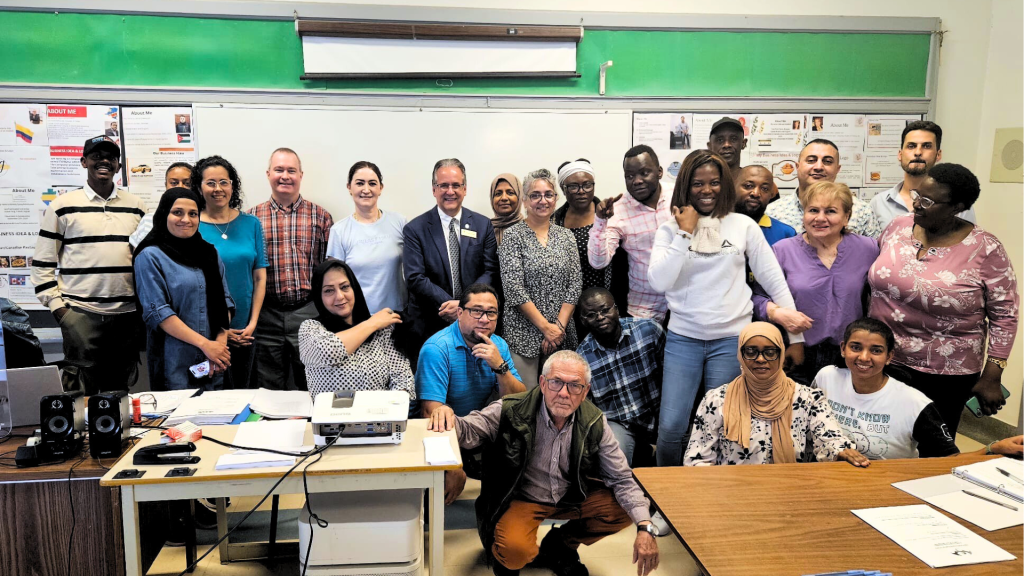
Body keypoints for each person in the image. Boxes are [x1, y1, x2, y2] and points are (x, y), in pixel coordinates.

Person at [427, 351, 660, 576]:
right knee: (516, 552)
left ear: (585, 390)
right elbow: (468, 431)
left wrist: (645, 526)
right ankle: (505, 559)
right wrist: (447, 415)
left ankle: (561, 545)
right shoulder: (510, 409)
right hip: (523, 497)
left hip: (570, 495)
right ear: (542, 382)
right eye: (556, 382)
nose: (564, 393)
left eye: (575, 385)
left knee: (622, 510)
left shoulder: (595, 422)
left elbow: (621, 478)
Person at [648, 150, 803, 467]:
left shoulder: (743, 226)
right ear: (685, 187)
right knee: (671, 428)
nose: (707, 190)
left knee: (722, 426)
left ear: (725, 185)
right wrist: (684, 232)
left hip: (731, 341)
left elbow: (773, 280)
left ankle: (714, 497)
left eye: (715, 183)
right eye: (698, 183)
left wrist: (796, 338)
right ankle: (665, 498)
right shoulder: (669, 229)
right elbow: (659, 281)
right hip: (683, 340)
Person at [868, 163, 1019, 435]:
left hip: (946, 370)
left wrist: (993, 374)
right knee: (883, 438)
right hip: (886, 359)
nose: (917, 205)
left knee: (933, 444)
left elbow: (1005, 316)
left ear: (957, 207)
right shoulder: (897, 228)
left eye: (928, 201)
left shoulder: (986, 249)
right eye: (916, 196)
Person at [813, 318, 1023, 460]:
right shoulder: (826, 377)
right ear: (843, 348)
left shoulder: (914, 404)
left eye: (876, 350)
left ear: (889, 357)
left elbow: (948, 460)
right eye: (856, 347)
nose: (864, 357)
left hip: (885, 486)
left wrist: (992, 448)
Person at [31, 136, 146, 394]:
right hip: (81, 314)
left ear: (118, 166)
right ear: (84, 162)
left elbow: (144, 261)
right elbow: (42, 264)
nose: (104, 161)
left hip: (126, 318)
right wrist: (62, 312)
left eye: (111, 157)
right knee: (81, 391)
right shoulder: (62, 206)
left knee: (119, 391)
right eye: (96, 156)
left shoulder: (137, 207)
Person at [684, 322, 868, 467]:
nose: (761, 359)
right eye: (751, 351)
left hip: (790, 493)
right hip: (732, 495)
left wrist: (841, 451)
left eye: (770, 352)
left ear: (781, 354)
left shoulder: (808, 399)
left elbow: (829, 438)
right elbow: (698, 458)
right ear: (740, 354)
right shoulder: (716, 400)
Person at [752, 181, 880, 384]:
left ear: (846, 217)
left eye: (830, 211)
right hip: (797, 353)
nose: (820, 218)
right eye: (813, 210)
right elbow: (756, 297)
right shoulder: (782, 251)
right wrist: (776, 313)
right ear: (804, 215)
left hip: (849, 356)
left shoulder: (868, 249)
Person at [416, 283, 525, 504]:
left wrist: (499, 366)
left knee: (519, 415)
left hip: (476, 428)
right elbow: (430, 414)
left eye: (491, 312)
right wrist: (452, 466)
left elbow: (519, 400)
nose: (484, 319)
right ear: (459, 313)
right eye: (476, 311)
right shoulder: (437, 348)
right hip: (442, 432)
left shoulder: (498, 346)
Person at [249, 148, 334, 390]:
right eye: (279, 170)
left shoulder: (321, 217)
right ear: (268, 174)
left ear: (300, 175)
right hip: (266, 316)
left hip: (308, 313)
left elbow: (328, 271)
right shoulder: (251, 219)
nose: (285, 176)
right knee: (267, 388)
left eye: (291, 170)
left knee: (313, 385)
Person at [134, 188, 234, 391]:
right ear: (164, 214)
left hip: (213, 363)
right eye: (177, 212)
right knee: (177, 421)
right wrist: (206, 346)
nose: (186, 219)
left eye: (193, 214)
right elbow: (159, 313)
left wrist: (219, 347)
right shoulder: (150, 256)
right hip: (174, 361)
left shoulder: (209, 252)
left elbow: (225, 302)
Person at [404, 159, 499, 366]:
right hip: (430, 322)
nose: (450, 191)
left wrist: (464, 306)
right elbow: (414, 277)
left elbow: (490, 270)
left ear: (465, 189)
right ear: (434, 189)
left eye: (456, 185)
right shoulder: (415, 228)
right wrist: (452, 306)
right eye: (443, 185)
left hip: (475, 322)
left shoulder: (483, 225)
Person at [499, 168, 583, 389]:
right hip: (523, 334)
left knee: (560, 398)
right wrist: (545, 328)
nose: (542, 200)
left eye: (548, 194)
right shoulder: (512, 236)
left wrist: (557, 328)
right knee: (523, 401)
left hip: (561, 333)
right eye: (535, 195)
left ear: (556, 199)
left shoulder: (566, 237)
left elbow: (575, 285)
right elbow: (513, 288)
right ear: (525, 201)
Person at [194, 155, 268, 390]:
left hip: (248, 330)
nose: (218, 189)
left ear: (232, 186)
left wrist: (252, 323)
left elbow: (259, 276)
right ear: (199, 187)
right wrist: (222, 331)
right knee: (214, 397)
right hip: (209, 333)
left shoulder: (251, 223)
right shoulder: (192, 226)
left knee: (247, 393)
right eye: (211, 183)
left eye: (224, 182)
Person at [298, 258, 414, 401]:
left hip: (379, 418)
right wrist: (371, 324)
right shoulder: (310, 329)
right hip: (333, 420)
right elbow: (329, 351)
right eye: (329, 291)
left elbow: (402, 378)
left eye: (345, 287)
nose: (339, 296)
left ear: (354, 288)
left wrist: (390, 408)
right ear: (319, 296)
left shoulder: (382, 328)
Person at [576, 287, 664, 467]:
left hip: (658, 414)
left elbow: (673, 375)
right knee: (614, 459)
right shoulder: (581, 359)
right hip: (619, 423)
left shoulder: (648, 331)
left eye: (605, 310)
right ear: (583, 321)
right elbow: (588, 409)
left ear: (616, 308)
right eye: (591, 315)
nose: (600, 317)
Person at [589, 145, 672, 322]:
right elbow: (598, 262)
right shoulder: (618, 211)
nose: (637, 181)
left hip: (683, 303)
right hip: (644, 309)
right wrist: (600, 222)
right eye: (630, 176)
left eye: (644, 173)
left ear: (659, 172)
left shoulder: (678, 195)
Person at [553, 159, 627, 339]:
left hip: (608, 300)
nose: (581, 191)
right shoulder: (555, 221)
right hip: (571, 305)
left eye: (587, 185)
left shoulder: (610, 215)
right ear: (563, 189)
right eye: (573, 186)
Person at [326, 161, 407, 314]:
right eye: (360, 183)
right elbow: (335, 282)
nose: (366, 189)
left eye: (372, 183)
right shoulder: (339, 231)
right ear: (349, 187)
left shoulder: (399, 222)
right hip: (359, 317)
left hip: (397, 314)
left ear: (380, 188)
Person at [869, 121, 976, 228]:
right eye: (911, 146)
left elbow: (969, 242)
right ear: (900, 154)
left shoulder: (955, 204)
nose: (918, 152)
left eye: (926, 146)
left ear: (938, 155)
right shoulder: (879, 203)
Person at [765, 139, 882, 238]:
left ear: (837, 169)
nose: (819, 167)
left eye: (827, 161)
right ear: (797, 166)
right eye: (811, 160)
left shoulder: (861, 211)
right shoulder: (773, 212)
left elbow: (875, 257)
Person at [130, 162, 193, 248]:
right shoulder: (149, 220)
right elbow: (138, 256)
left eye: (187, 183)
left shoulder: (200, 220)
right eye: (174, 183)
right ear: (166, 185)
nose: (180, 187)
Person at [733, 165, 797, 246]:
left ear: (772, 194)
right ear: (733, 188)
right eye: (749, 186)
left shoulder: (786, 234)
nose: (756, 193)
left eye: (764, 188)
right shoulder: (717, 227)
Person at [706, 117, 747, 181]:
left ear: (743, 143)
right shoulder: (702, 183)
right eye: (720, 140)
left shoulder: (752, 183)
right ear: (709, 146)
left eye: (733, 139)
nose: (727, 145)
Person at [490, 173, 523, 246]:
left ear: (519, 197)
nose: (504, 198)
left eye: (510, 193)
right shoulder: (484, 230)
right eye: (498, 194)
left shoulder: (529, 230)